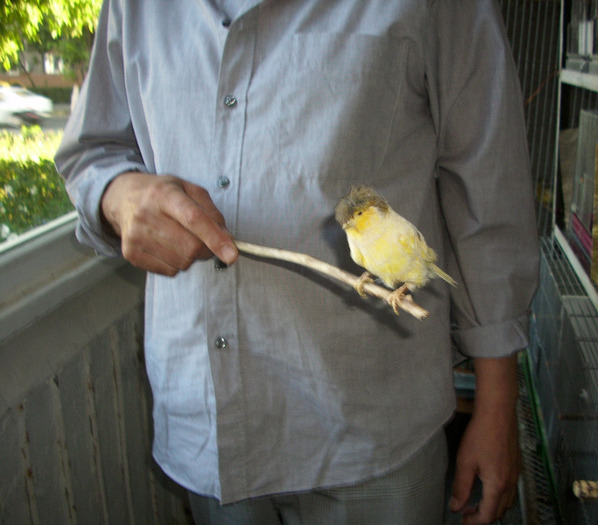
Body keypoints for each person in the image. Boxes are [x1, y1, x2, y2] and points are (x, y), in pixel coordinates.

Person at [55, 1, 540, 524]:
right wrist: (117, 195)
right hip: (208, 424)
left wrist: (496, 403)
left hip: (372, 435)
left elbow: (487, 188)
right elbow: (92, 152)